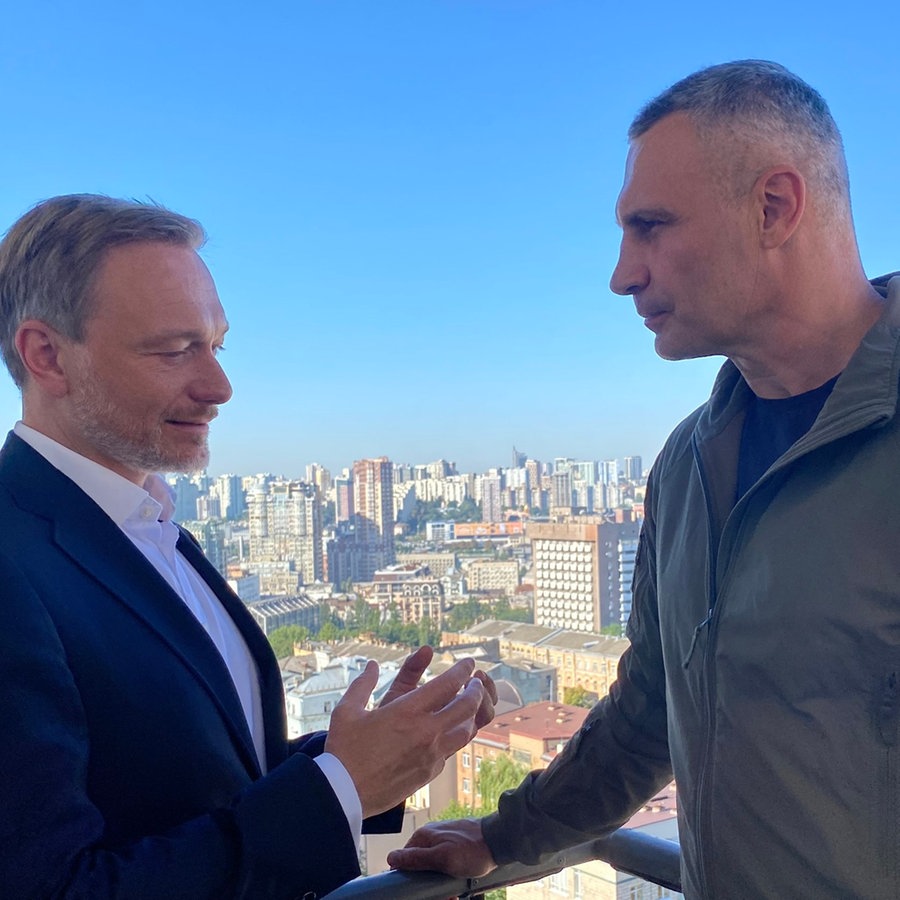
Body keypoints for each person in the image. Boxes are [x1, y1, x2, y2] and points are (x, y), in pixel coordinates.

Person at [388, 60, 900, 898]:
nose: (622, 274)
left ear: (775, 208)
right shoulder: (686, 465)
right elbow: (649, 712)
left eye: (650, 226)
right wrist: (502, 836)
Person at [0, 193, 496, 900]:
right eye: (174, 350)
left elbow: (210, 782)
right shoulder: (13, 565)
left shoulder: (147, 526)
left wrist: (381, 756)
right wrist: (340, 786)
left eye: (216, 344)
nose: (220, 386)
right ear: (46, 354)